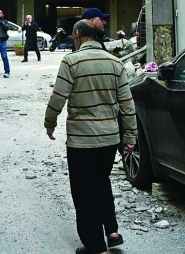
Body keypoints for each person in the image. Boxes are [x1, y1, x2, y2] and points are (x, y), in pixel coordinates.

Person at [45, 19, 136, 254]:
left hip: (81, 140)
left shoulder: (71, 61)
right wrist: (130, 137)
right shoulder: (116, 63)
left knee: (84, 190)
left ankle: (96, 247)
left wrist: (50, 123)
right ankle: (112, 232)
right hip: (109, 139)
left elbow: (58, 98)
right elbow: (127, 104)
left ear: (77, 35)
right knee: (101, 181)